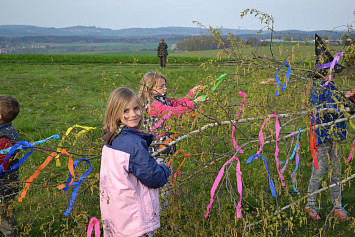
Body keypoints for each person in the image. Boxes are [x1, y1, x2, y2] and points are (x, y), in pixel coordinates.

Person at [99, 87, 170, 237]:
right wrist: (164, 169)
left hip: (116, 219)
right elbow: (154, 177)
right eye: (126, 110)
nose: (133, 114)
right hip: (134, 223)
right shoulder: (133, 144)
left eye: (136, 108)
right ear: (115, 112)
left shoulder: (110, 138)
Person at [304, 34, 354, 221]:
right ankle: (310, 205)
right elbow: (317, 110)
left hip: (336, 135)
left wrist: (348, 99)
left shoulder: (333, 86)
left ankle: (337, 207)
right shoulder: (317, 87)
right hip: (322, 136)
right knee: (319, 171)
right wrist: (341, 106)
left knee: (336, 171)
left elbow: (340, 107)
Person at [138, 71, 206, 163]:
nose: (165, 89)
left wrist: (192, 94)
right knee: (160, 172)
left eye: (165, 86)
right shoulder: (153, 105)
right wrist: (194, 103)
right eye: (161, 87)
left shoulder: (163, 100)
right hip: (158, 149)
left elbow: (178, 103)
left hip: (166, 146)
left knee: (167, 171)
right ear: (149, 89)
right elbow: (174, 112)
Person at [0, 95, 20, 237]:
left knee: (6, 222)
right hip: (6, 186)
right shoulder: (5, 129)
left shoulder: (4, 140)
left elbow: (2, 164)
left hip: (4, 189)